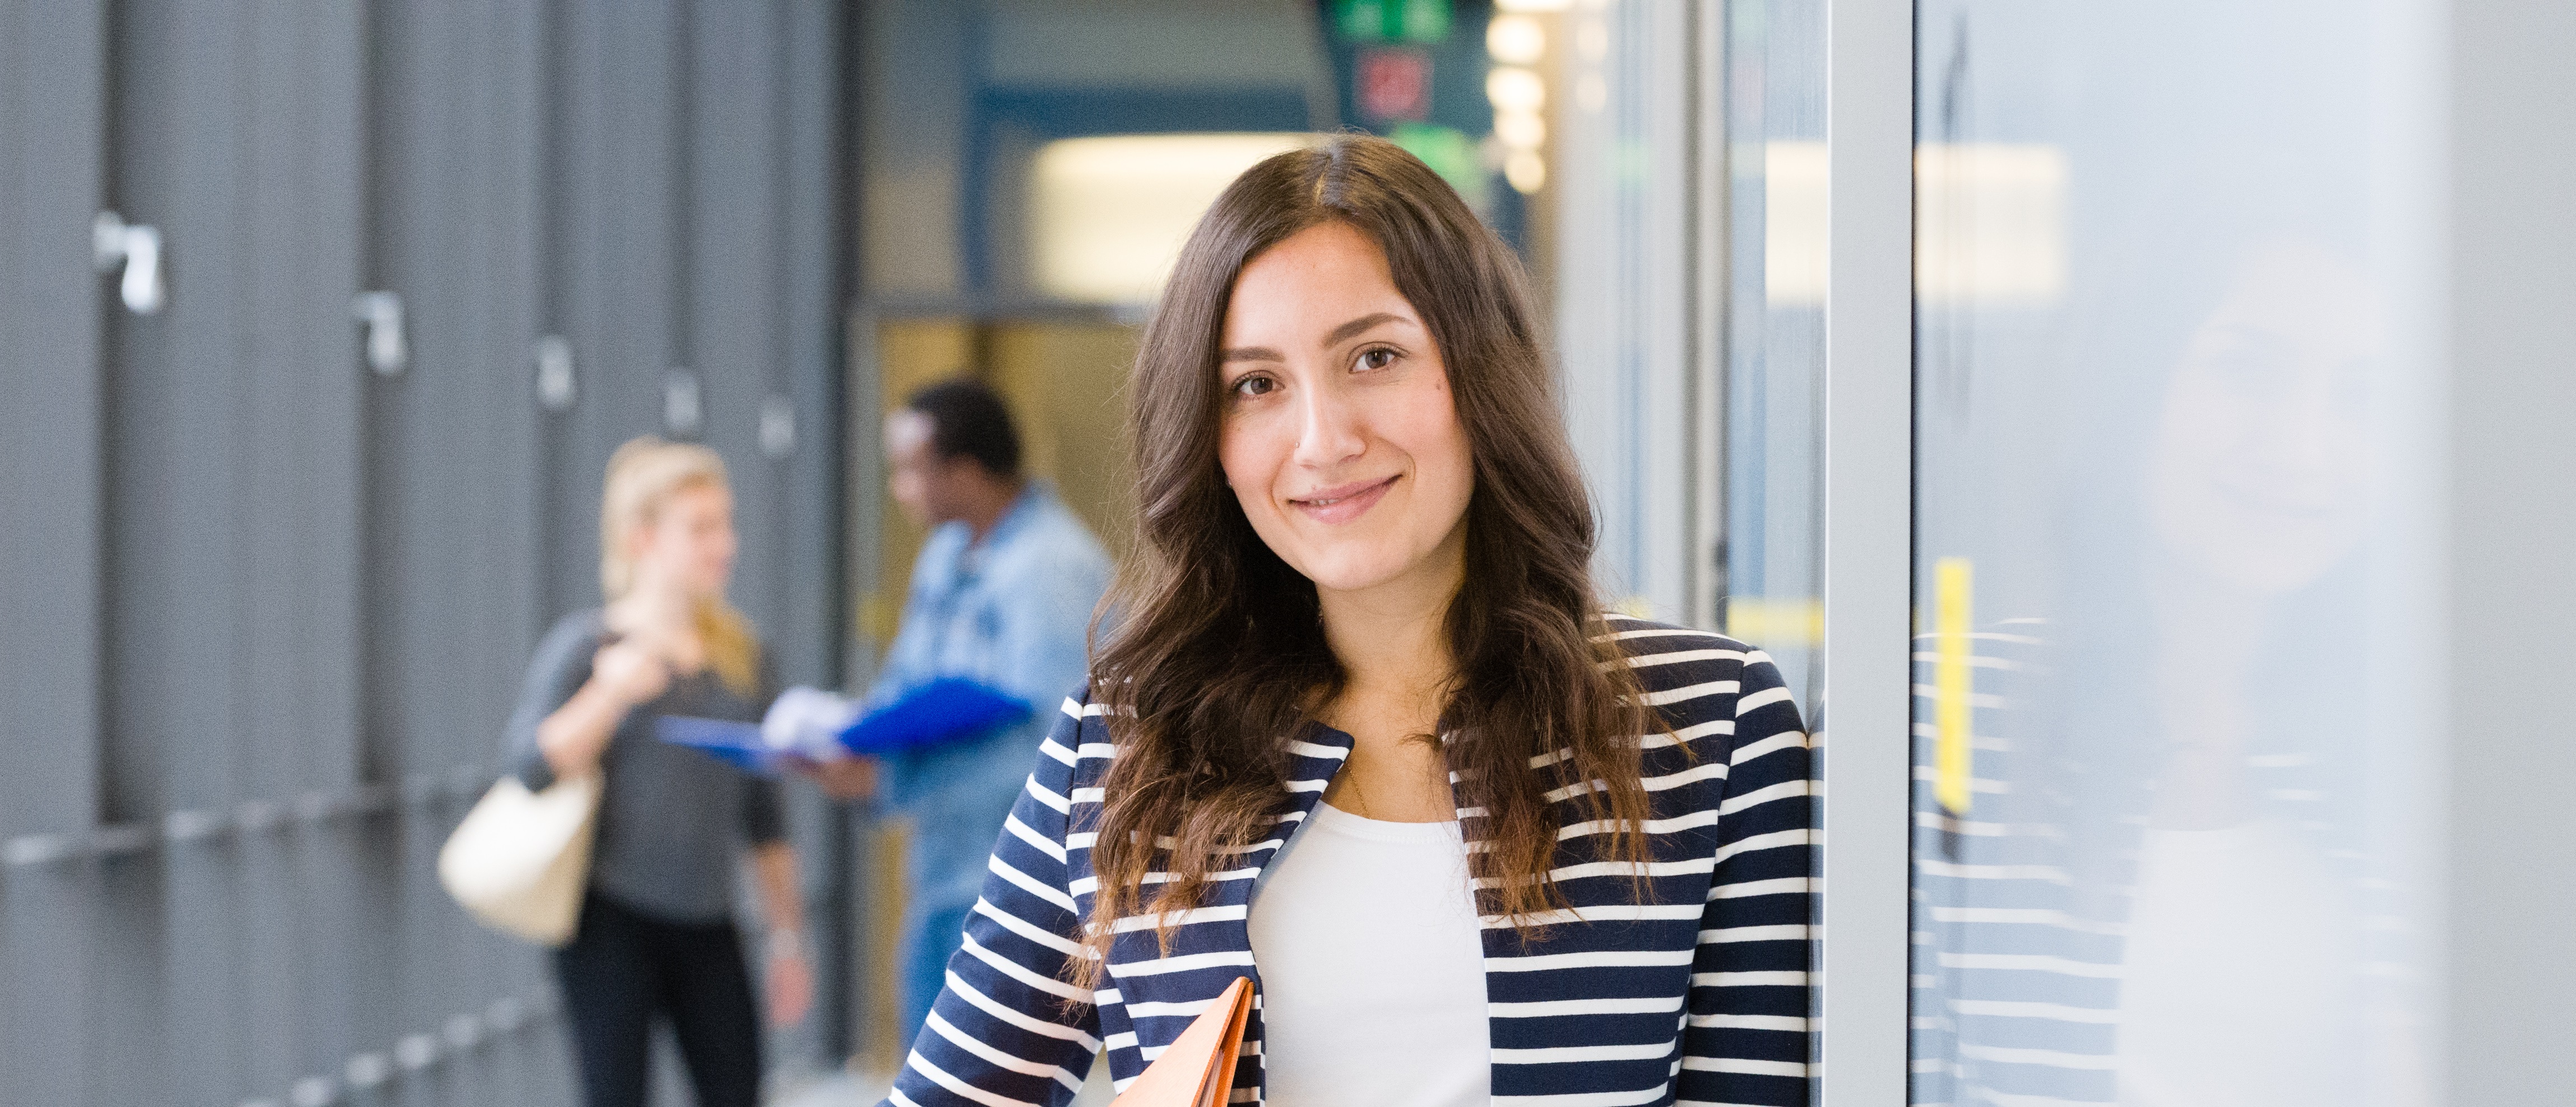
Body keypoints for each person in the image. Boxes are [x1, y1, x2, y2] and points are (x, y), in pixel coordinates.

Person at [883, 135, 1816, 1107]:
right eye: (1255, 385)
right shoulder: (1125, 744)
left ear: (1480, 373)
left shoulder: (1707, 728)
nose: (1322, 440)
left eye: (1373, 357)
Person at [503, 438, 813, 1107]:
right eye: (700, 528)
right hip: (607, 921)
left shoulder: (744, 657)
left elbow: (764, 817)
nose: (722, 544)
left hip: (709, 921)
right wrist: (609, 695)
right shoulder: (589, 647)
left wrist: (787, 940)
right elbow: (528, 767)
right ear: (642, 539)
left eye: (725, 525)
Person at [809, 377, 1114, 1054]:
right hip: (942, 868)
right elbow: (907, 684)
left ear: (965, 471)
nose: (899, 488)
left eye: (909, 470)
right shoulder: (947, 554)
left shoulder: (1052, 570)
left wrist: (892, 782)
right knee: (930, 1063)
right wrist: (848, 746)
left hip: (1017, 882)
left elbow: (1056, 751)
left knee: (995, 1074)